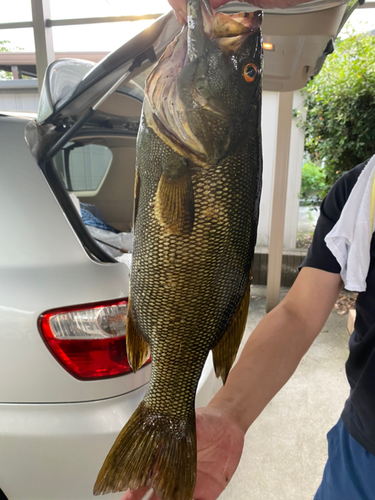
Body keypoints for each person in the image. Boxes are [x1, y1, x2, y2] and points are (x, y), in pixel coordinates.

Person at [122, 2, 375, 500]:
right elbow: (301, 315)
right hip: (360, 454)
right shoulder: (361, 190)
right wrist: (225, 414)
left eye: (250, 70)